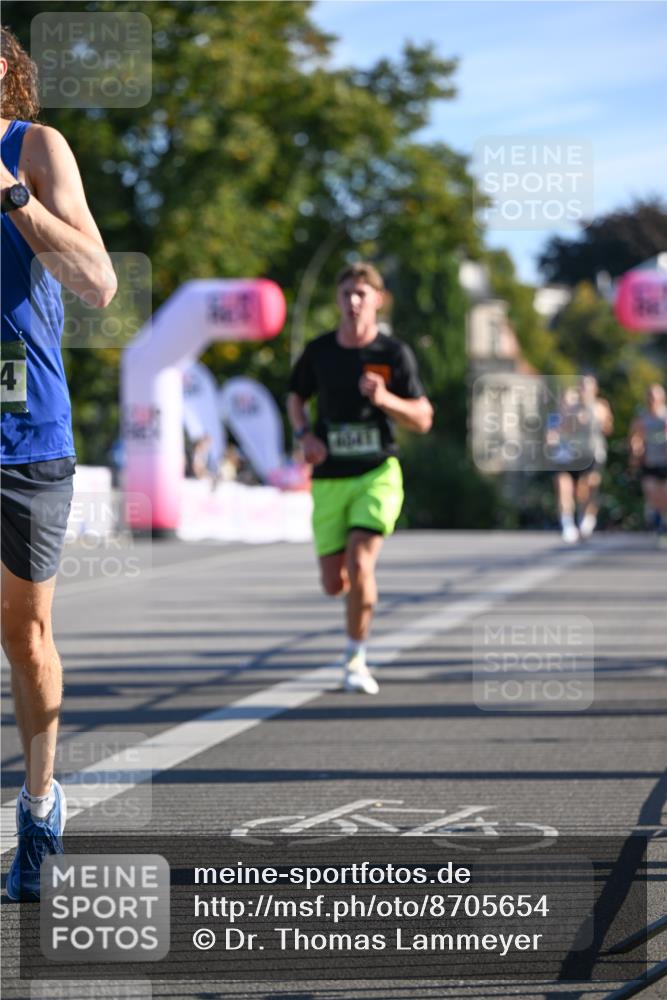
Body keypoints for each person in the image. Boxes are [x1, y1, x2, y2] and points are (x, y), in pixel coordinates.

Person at [1, 26, 116, 900]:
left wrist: (12, 198)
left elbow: (98, 280)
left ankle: (40, 806)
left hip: (24, 434)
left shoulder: (37, 148)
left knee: (26, 638)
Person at [287, 262, 433, 693]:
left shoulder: (393, 354)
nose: (353, 302)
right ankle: (354, 597)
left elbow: (423, 418)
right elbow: (296, 395)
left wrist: (387, 399)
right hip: (330, 478)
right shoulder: (319, 351)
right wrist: (304, 434)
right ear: (337, 299)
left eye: (361, 294)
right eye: (346, 293)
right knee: (335, 584)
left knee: (361, 563)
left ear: (377, 300)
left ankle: (355, 658)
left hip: (377, 473)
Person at [552, 375, 613, 543]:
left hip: (593, 454)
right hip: (572, 456)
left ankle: (587, 521)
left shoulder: (601, 407)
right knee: (564, 487)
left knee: (587, 491)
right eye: (582, 387)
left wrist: (599, 421)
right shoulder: (571, 408)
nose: (584, 390)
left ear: (594, 390)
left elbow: (608, 428)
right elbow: (560, 429)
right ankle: (567, 525)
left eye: (588, 387)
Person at [628, 383, 667, 545]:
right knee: (651, 493)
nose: (652, 399)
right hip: (649, 461)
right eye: (650, 396)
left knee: (664, 496)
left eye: (655, 396)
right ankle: (657, 522)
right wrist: (636, 451)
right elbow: (634, 437)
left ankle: (662, 524)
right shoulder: (642, 417)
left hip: (665, 462)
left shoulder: (665, 415)